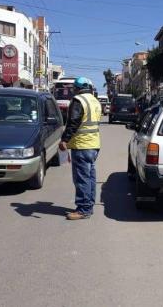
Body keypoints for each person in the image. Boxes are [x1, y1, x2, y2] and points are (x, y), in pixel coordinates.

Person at [59, 77, 102, 220]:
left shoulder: (78, 101)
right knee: (90, 178)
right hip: (94, 144)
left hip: (82, 145)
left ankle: (83, 209)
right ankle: (88, 206)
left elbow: (73, 122)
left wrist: (65, 140)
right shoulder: (95, 101)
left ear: (77, 88)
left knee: (82, 178)